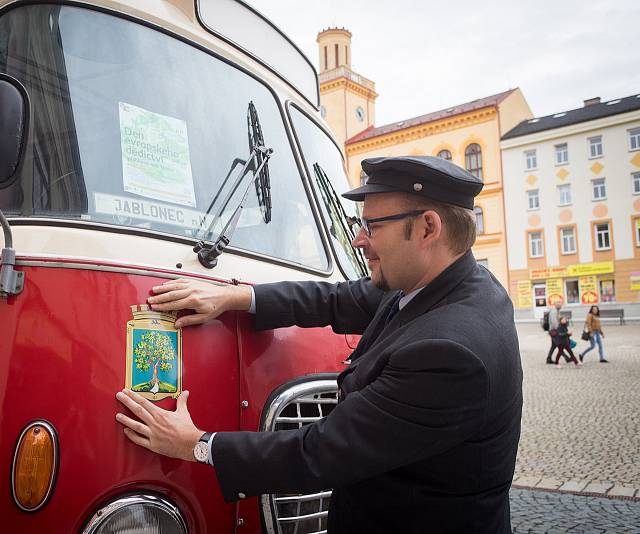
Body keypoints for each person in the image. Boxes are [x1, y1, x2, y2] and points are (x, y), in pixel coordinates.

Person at [115, 156, 523, 533]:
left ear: (428, 228)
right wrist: (235, 297)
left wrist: (197, 445)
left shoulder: (450, 352)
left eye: (373, 226)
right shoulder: (444, 280)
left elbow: (322, 451)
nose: (360, 239)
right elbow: (337, 299)